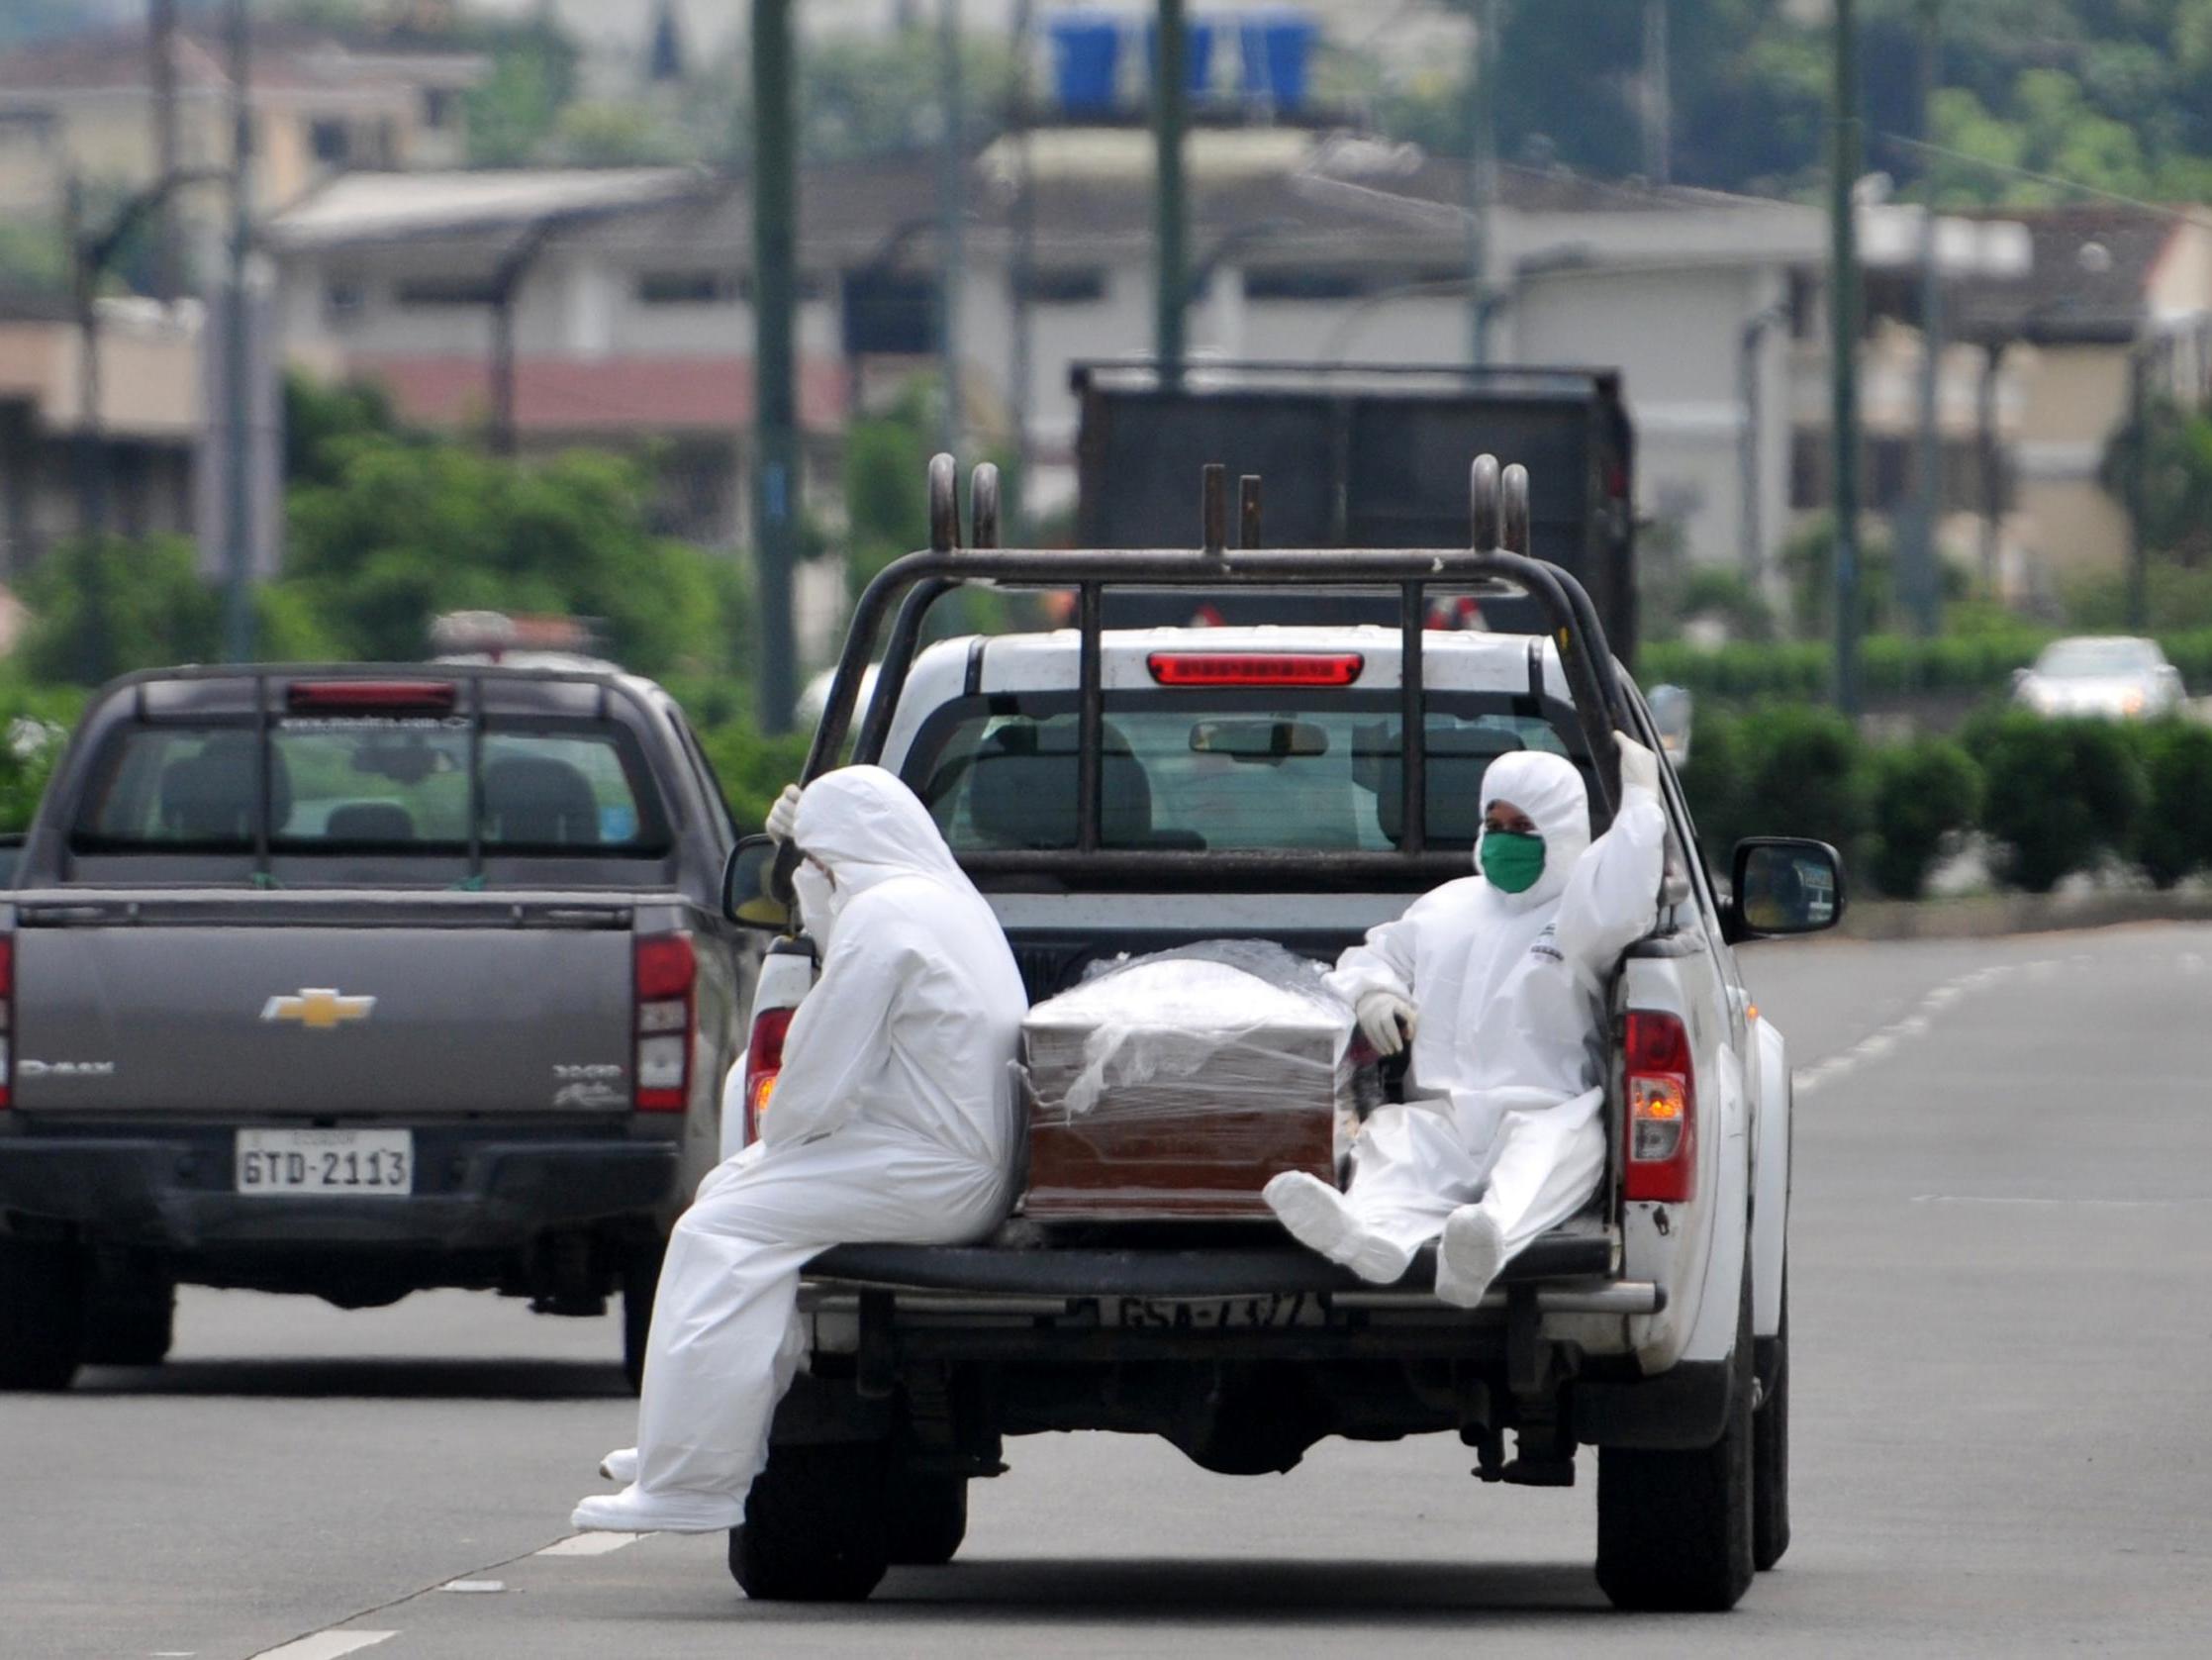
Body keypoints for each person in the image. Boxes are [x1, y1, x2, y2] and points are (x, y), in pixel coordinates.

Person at [573, 765, 1026, 1533]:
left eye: (806, 865)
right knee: (726, 1198)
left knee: (716, 1232)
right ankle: (685, 1442)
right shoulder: (939, 901)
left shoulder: (881, 921)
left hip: (930, 1171)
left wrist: (783, 1141)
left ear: (830, 862)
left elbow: (807, 1090)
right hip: (939, 1158)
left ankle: (692, 1485)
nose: (802, 886)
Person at [1264, 734, 1669, 1309]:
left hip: (1546, 1108)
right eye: (1494, 823)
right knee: (1393, 1145)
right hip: (1444, 1112)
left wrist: (1640, 803)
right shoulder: (1446, 905)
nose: (1504, 840)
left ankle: (1482, 1247)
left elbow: (1624, 890)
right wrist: (1376, 994)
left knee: (1549, 1160)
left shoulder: (1579, 912)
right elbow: (1375, 957)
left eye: (1523, 826)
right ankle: (1368, 1236)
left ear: (1562, 830)